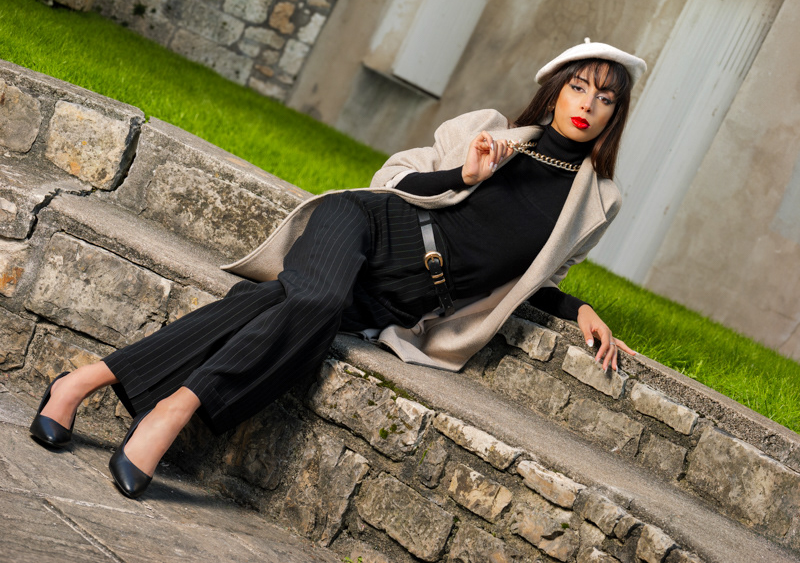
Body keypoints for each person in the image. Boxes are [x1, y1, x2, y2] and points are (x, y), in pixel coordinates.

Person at [29, 40, 646, 499]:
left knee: (283, 306)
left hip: (398, 302)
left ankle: (82, 382)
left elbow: (538, 280)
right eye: (579, 88)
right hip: (369, 226)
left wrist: (581, 310)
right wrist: (464, 174)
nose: (588, 105)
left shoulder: (597, 201)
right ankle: (174, 411)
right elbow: (394, 180)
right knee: (317, 303)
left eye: (606, 98)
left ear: (615, 114)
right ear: (556, 90)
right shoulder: (489, 132)